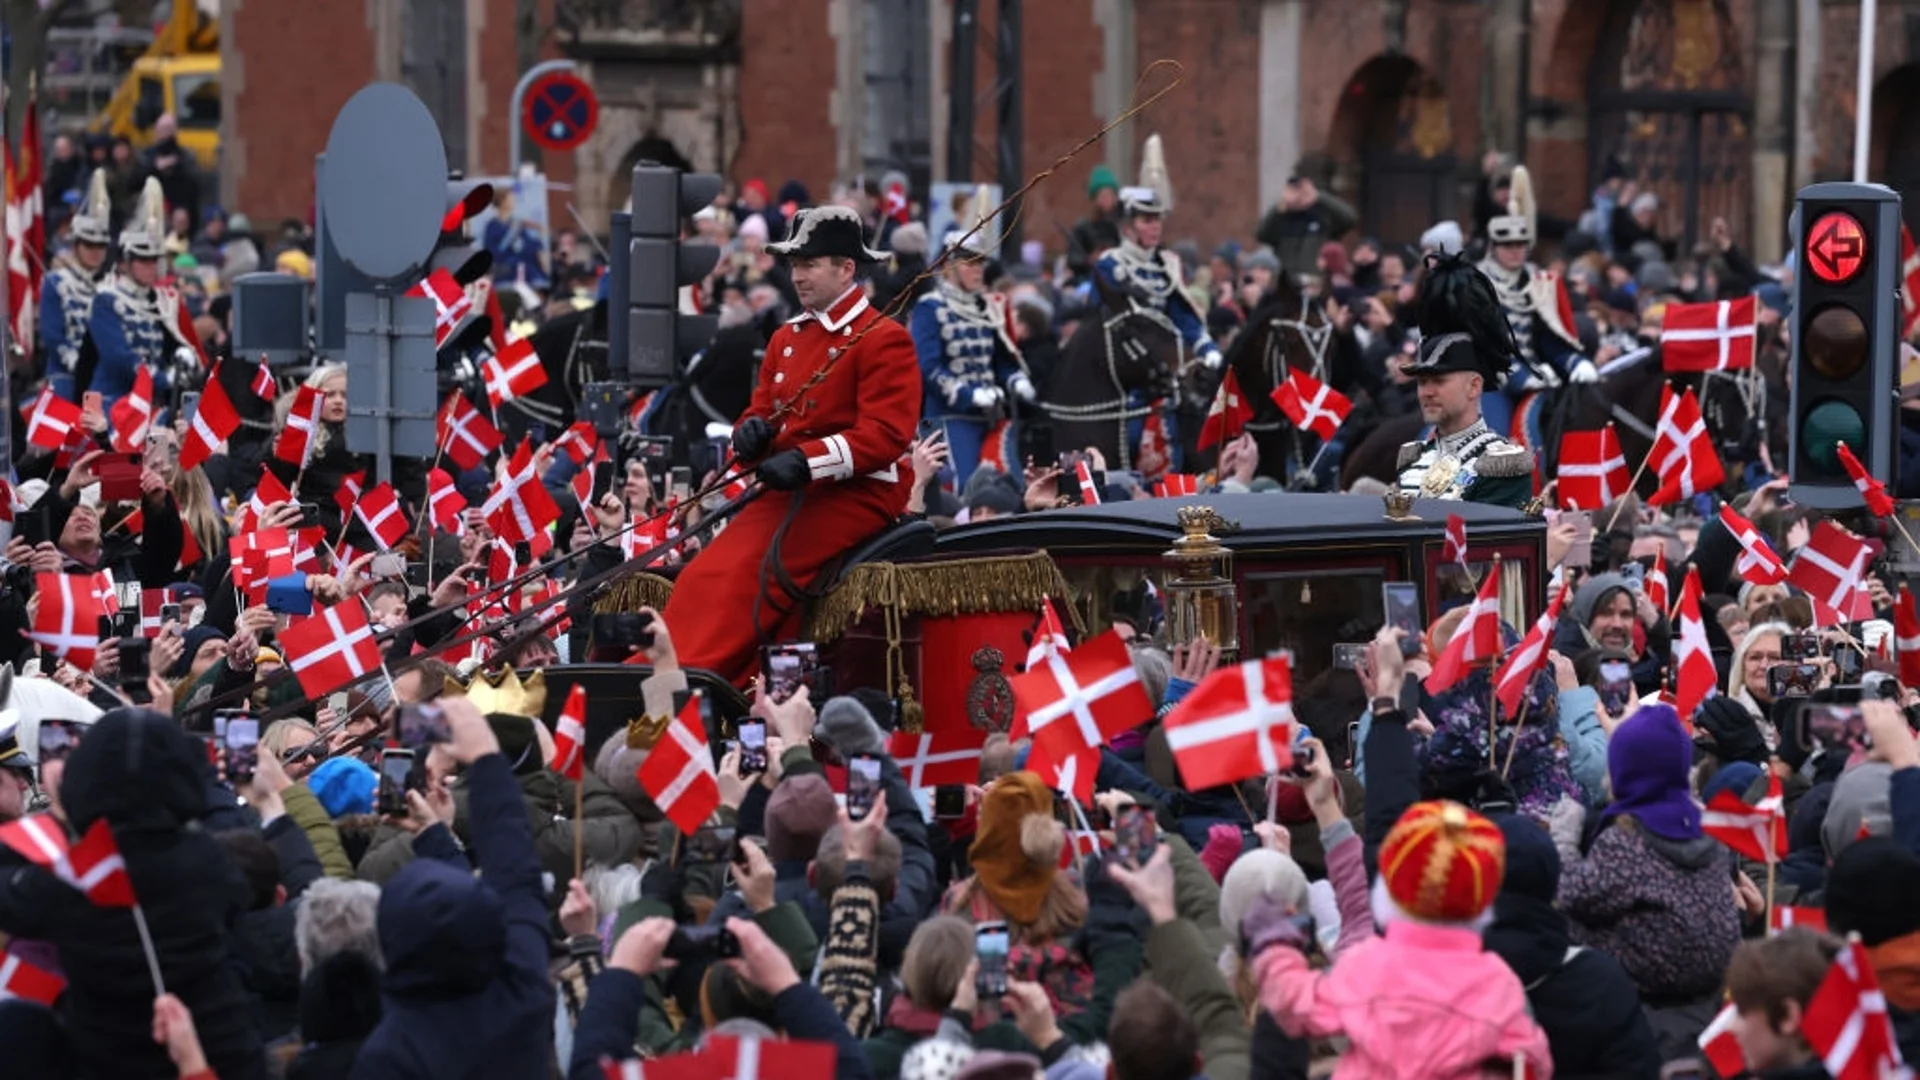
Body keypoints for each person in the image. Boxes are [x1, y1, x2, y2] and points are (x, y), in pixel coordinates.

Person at [660, 205, 921, 685]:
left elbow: (885, 435)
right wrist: (751, 435)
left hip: (854, 491)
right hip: (789, 483)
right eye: (794, 264)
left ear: (846, 269)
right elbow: (762, 410)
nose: (797, 276)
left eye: (809, 264)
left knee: (747, 572)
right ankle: (677, 675)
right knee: (703, 573)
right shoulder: (787, 336)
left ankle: (689, 677)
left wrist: (807, 462)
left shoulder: (884, 338)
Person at [1242, 799, 1553, 1078]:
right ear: (1482, 901)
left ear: (1388, 891)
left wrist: (1276, 943)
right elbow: (1533, 1062)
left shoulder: (1366, 965)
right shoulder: (1498, 983)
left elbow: (1295, 1004)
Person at [351, 695, 557, 1077]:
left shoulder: (388, 1053)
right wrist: (485, 759)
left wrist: (435, 833)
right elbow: (515, 876)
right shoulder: (523, 994)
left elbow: (507, 890)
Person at [1392, 252, 1536, 508]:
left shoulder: (1500, 465)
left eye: (1439, 381)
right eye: (1422, 382)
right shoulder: (1412, 458)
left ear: (1474, 386)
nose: (1427, 392)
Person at [909, 203, 1035, 481]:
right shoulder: (930, 307)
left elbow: (999, 360)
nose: (978, 270)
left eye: (981, 262)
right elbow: (928, 367)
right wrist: (968, 394)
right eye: (970, 263)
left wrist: (1015, 379)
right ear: (948, 266)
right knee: (964, 487)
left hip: (990, 415)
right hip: (948, 418)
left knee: (1010, 483)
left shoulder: (985, 307)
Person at [1475, 166, 1592, 439]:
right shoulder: (1477, 283)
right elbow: (1482, 343)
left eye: (1520, 245)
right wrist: (1517, 374)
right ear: (1493, 247)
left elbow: (1549, 339)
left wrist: (1575, 362)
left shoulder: (1539, 284)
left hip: (1540, 377)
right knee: (1496, 438)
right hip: (1489, 380)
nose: (1516, 251)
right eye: (1508, 245)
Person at [83, 177, 202, 403]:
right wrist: (161, 378)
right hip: (114, 399)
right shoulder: (106, 301)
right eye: (142, 260)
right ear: (126, 263)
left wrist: (183, 360)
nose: (150, 266)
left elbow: (172, 341)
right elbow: (118, 358)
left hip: (149, 399)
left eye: (154, 260)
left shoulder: (159, 301)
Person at [40, 171, 114, 400]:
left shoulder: (113, 286)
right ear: (76, 245)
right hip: (66, 376)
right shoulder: (56, 282)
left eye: (100, 246)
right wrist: (81, 367)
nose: (95, 252)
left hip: (105, 380)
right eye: (89, 245)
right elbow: (53, 336)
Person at [1254, 174, 1358, 284]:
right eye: (1294, 190)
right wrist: (1279, 206)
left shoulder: (1322, 214)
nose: (1298, 195)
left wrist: (1318, 197)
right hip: (1287, 283)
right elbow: (1261, 234)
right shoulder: (1281, 217)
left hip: (1316, 281)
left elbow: (1350, 218)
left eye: (1301, 190)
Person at [1066, 166, 1123, 284]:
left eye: (1110, 195)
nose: (1106, 200)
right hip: (1090, 279)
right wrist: (1090, 259)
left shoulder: (1123, 225)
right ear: (1094, 199)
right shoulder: (1083, 227)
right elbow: (1073, 259)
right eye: (1102, 196)